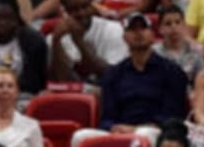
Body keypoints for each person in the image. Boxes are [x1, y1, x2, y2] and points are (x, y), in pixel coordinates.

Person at [70, 13, 188, 147]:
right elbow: (107, 117)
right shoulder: (114, 74)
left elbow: (173, 114)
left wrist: (141, 127)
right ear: (124, 37)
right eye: (132, 29)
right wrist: (115, 128)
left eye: (143, 28)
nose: (138, 33)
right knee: (80, 137)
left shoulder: (171, 71)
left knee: (142, 135)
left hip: (156, 130)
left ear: (153, 35)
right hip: (120, 130)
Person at [48, 0, 128, 84]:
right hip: (74, 92)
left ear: (92, 5)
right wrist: (56, 41)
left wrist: (78, 41)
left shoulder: (113, 29)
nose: (81, 13)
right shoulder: (56, 36)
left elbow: (112, 74)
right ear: (64, 12)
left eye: (85, 7)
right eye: (74, 10)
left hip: (107, 90)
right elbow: (60, 80)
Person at [152, 5, 204, 94]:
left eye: (177, 22)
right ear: (160, 29)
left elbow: (202, 83)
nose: (174, 27)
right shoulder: (153, 53)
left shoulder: (195, 52)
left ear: (184, 25)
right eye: (168, 24)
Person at [0, 68, 43, 147]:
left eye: (10, 86)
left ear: (17, 92)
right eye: (0, 86)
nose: (5, 90)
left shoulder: (32, 126)